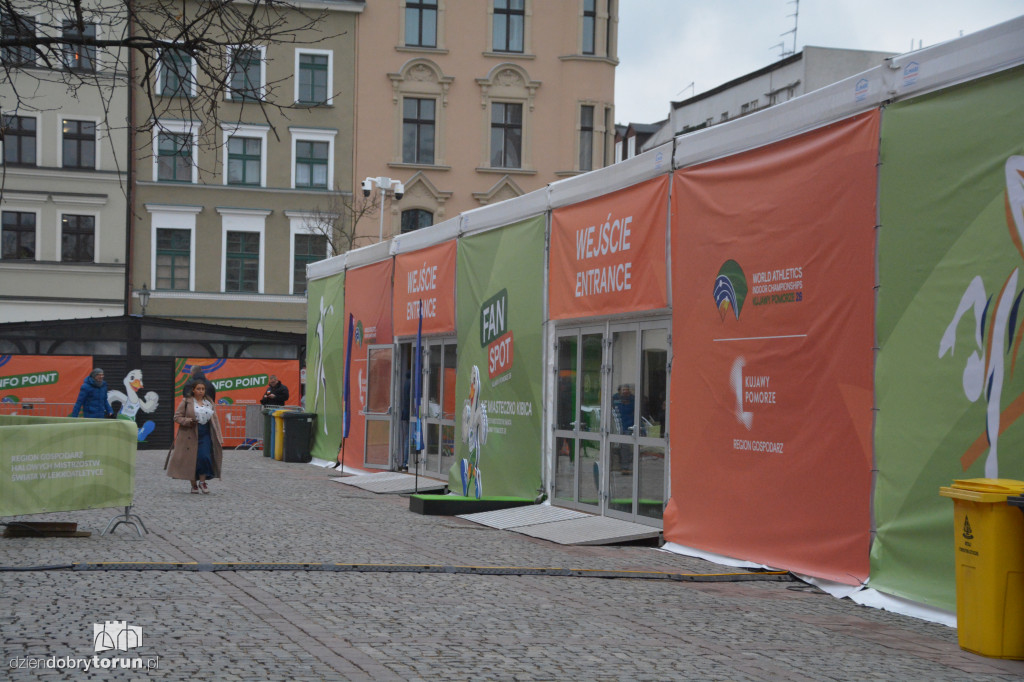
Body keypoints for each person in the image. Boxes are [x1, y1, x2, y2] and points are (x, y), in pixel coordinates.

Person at [166, 382, 223, 494]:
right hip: (190, 434)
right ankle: (193, 485)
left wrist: (219, 436)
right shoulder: (186, 402)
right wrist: (187, 421)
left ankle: (202, 482)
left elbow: (215, 419)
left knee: (204, 457)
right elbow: (177, 417)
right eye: (198, 389)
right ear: (193, 390)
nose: (201, 391)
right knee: (191, 460)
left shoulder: (208, 402)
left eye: (203, 389)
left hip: (205, 433)